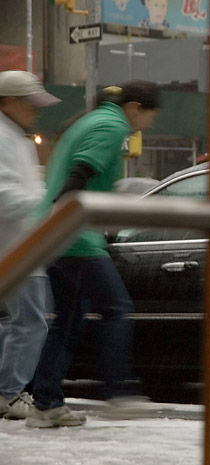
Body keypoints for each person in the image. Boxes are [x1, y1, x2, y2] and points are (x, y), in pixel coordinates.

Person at [25, 81, 162, 428]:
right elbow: (80, 172)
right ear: (133, 108)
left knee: (68, 321)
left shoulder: (89, 121)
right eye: (150, 115)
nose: (150, 122)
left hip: (60, 234)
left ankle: (46, 404)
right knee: (117, 308)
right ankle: (118, 391)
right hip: (74, 237)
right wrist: (62, 217)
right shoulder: (113, 126)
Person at [0, 71, 60, 420]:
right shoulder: (6, 139)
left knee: (20, 322)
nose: (35, 111)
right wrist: (42, 202)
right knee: (31, 322)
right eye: (29, 103)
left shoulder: (17, 139)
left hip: (22, 246)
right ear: (8, 101)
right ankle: (8, 392)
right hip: (15, 249)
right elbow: (5, 194)